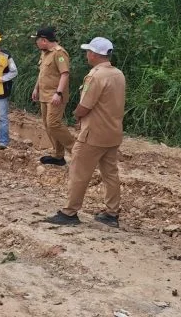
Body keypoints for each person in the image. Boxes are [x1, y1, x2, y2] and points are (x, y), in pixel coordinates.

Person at [44, 37, 126, 228]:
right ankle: (112, 213)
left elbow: (85, 105)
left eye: (88, 52)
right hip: (113, 132)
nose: (87, 55)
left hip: (93, 133)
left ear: (95, 54)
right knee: (110, 174)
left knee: (79, 172)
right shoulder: (118, 74)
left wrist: (76, 115)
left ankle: (69, 212)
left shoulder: (95, 76)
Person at [31, 27, 74, 166]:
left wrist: (59, 93)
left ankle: (77, 152)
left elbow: (65, 74)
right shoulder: (44, 53)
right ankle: (58, 155)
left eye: (37, 40)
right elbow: (42, 73)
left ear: (44, 40)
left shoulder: (59, 53)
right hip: (44, 95)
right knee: (48, 125)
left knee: (53, 123)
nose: (36, 43)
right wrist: (36, 88)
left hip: (55, 96)